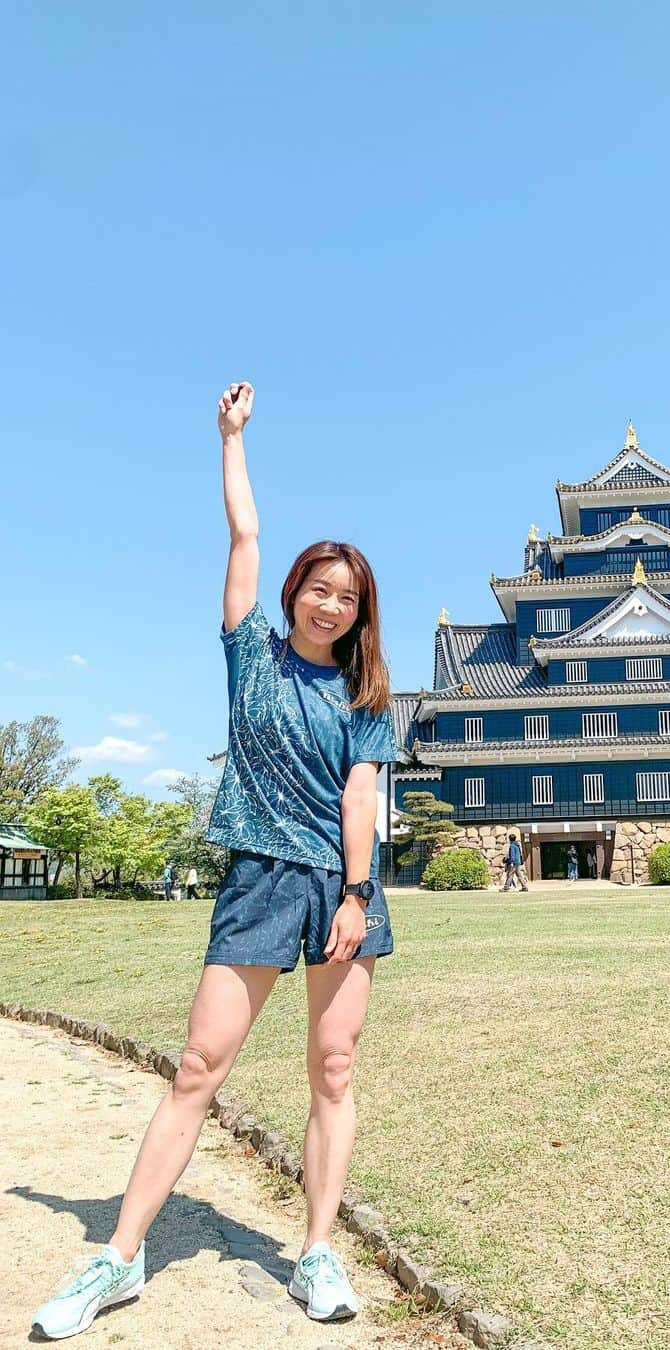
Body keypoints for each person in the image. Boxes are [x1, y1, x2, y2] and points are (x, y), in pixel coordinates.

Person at [32, 382, 398, 1339]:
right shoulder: (251, 654)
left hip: (338, 889)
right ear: (293, 595)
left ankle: (316, 1251)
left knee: (333, 1067)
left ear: (362, 614)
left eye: (347, 597)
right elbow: (244, 535)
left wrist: (358, 894)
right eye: (318, 588)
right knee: (199, 1065)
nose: (329, 604)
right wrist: (230, 439)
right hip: (258, 877)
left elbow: (363, 795)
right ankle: (117, 1256)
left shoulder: (367, 697)